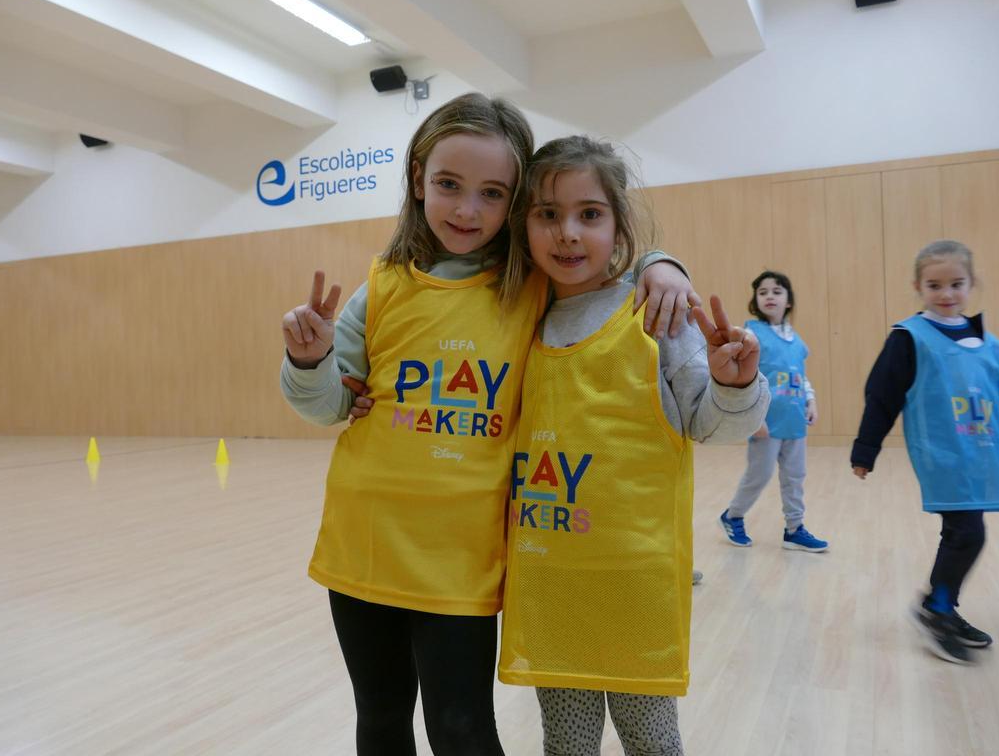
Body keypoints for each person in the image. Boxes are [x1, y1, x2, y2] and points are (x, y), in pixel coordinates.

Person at [280, 94, 700, 755]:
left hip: (463, 556)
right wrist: (309, 361)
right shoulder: (383, 283)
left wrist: (661, 263)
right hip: (362, 540)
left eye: (492, 193)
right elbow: (329, 404)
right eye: (449, 184)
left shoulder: (531, 284)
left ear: (513, 204)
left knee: (460, 727)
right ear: (418, 177)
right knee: (382, 717)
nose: (466, 210)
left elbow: (600, 254)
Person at [498, 135, 769, 755]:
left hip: (635, 584)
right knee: (566, 747)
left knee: (652, 742)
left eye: (589, 214)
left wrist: (737, 385)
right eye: (547, 213)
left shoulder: (655, 313)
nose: (567, 232)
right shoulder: (517, 315)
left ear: (619, 226)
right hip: (549, 585)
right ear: (524, 225)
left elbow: (712, 425)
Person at [851, 239, 999, 664]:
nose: (946, 294)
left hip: (981, 457)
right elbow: (882, 395)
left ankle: (942, 606)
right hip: (942, 458)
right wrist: (866, 449)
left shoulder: (988, 345)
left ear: (972, 284)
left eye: (956, 283)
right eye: (934, 285)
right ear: (918, 286)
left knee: (964, 535)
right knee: (967, 534)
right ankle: (936, 608)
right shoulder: (909, 337)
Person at [719, 271, 829, 552]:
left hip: (795, 423)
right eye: (763, 292)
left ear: (789, 301)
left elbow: (800, 376)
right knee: (760, 475)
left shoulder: (798, 341)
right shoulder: (751, 334)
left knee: (795, 477)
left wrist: (811, 400)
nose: (770, 296)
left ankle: (794, 529)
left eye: (777, 291)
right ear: (756, 300)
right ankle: (733, 516)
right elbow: (744, 378)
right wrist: (752, 418)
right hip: (766, 423)